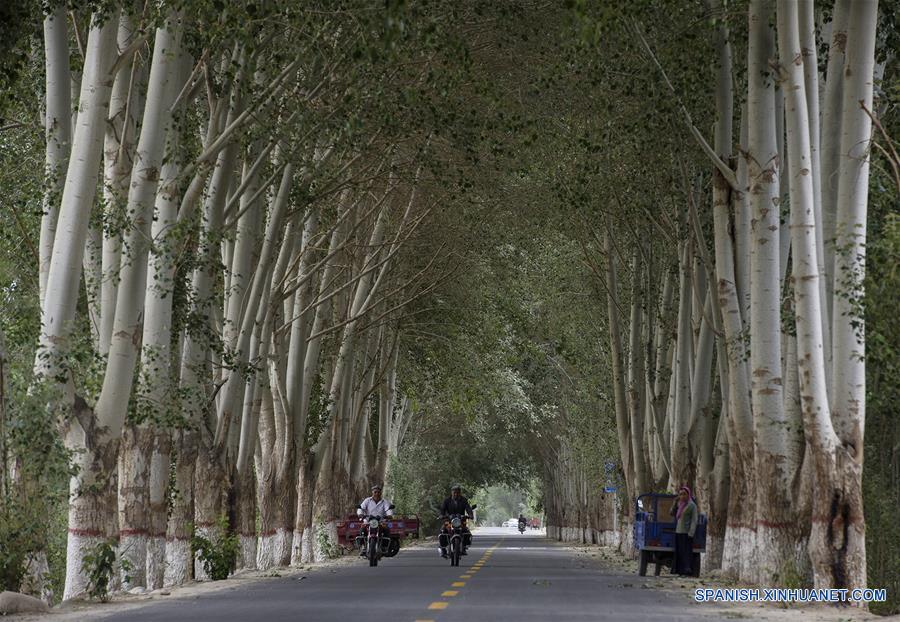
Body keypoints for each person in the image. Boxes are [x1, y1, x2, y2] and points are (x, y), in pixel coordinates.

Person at [669, 486, 698, 575]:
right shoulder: (679, 504)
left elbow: (694, 520)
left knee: (686, 553)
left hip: (687, 533)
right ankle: (678, 571)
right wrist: (674, 502)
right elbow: (671, 513)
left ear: (688, 494)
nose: (682, 496)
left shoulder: (692, 505)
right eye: (680, 494)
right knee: (679, 552)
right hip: (678, 532)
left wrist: (691, 532)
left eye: (684, 494)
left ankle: (687, 571)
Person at [357, 485, 393, 556]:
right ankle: (363, 547)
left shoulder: (384, 502)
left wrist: (389, 515)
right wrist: (360, 514)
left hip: (380, 521)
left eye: (378, 492)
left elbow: (389, 510)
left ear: (381, 493)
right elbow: (361, 508)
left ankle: (384, 546)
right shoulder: (367, 500)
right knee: (362, 529)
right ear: (372, 493)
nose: (377, 494)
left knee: (386, 529)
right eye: (375, 492)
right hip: (368, 521)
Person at [439, 484, 473, 558]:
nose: (456, 494)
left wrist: (470, 515)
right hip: (449, 520)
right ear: (451, 492)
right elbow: (442, 509)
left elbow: (468, 508)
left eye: (457, 492)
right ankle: (443, 549)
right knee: (442, 531)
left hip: (461, 520)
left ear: (460, 493)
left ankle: (464, 547)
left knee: (466, 531)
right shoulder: (447, 500)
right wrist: (441, 515)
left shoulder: (464, 500)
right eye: (454, 492)